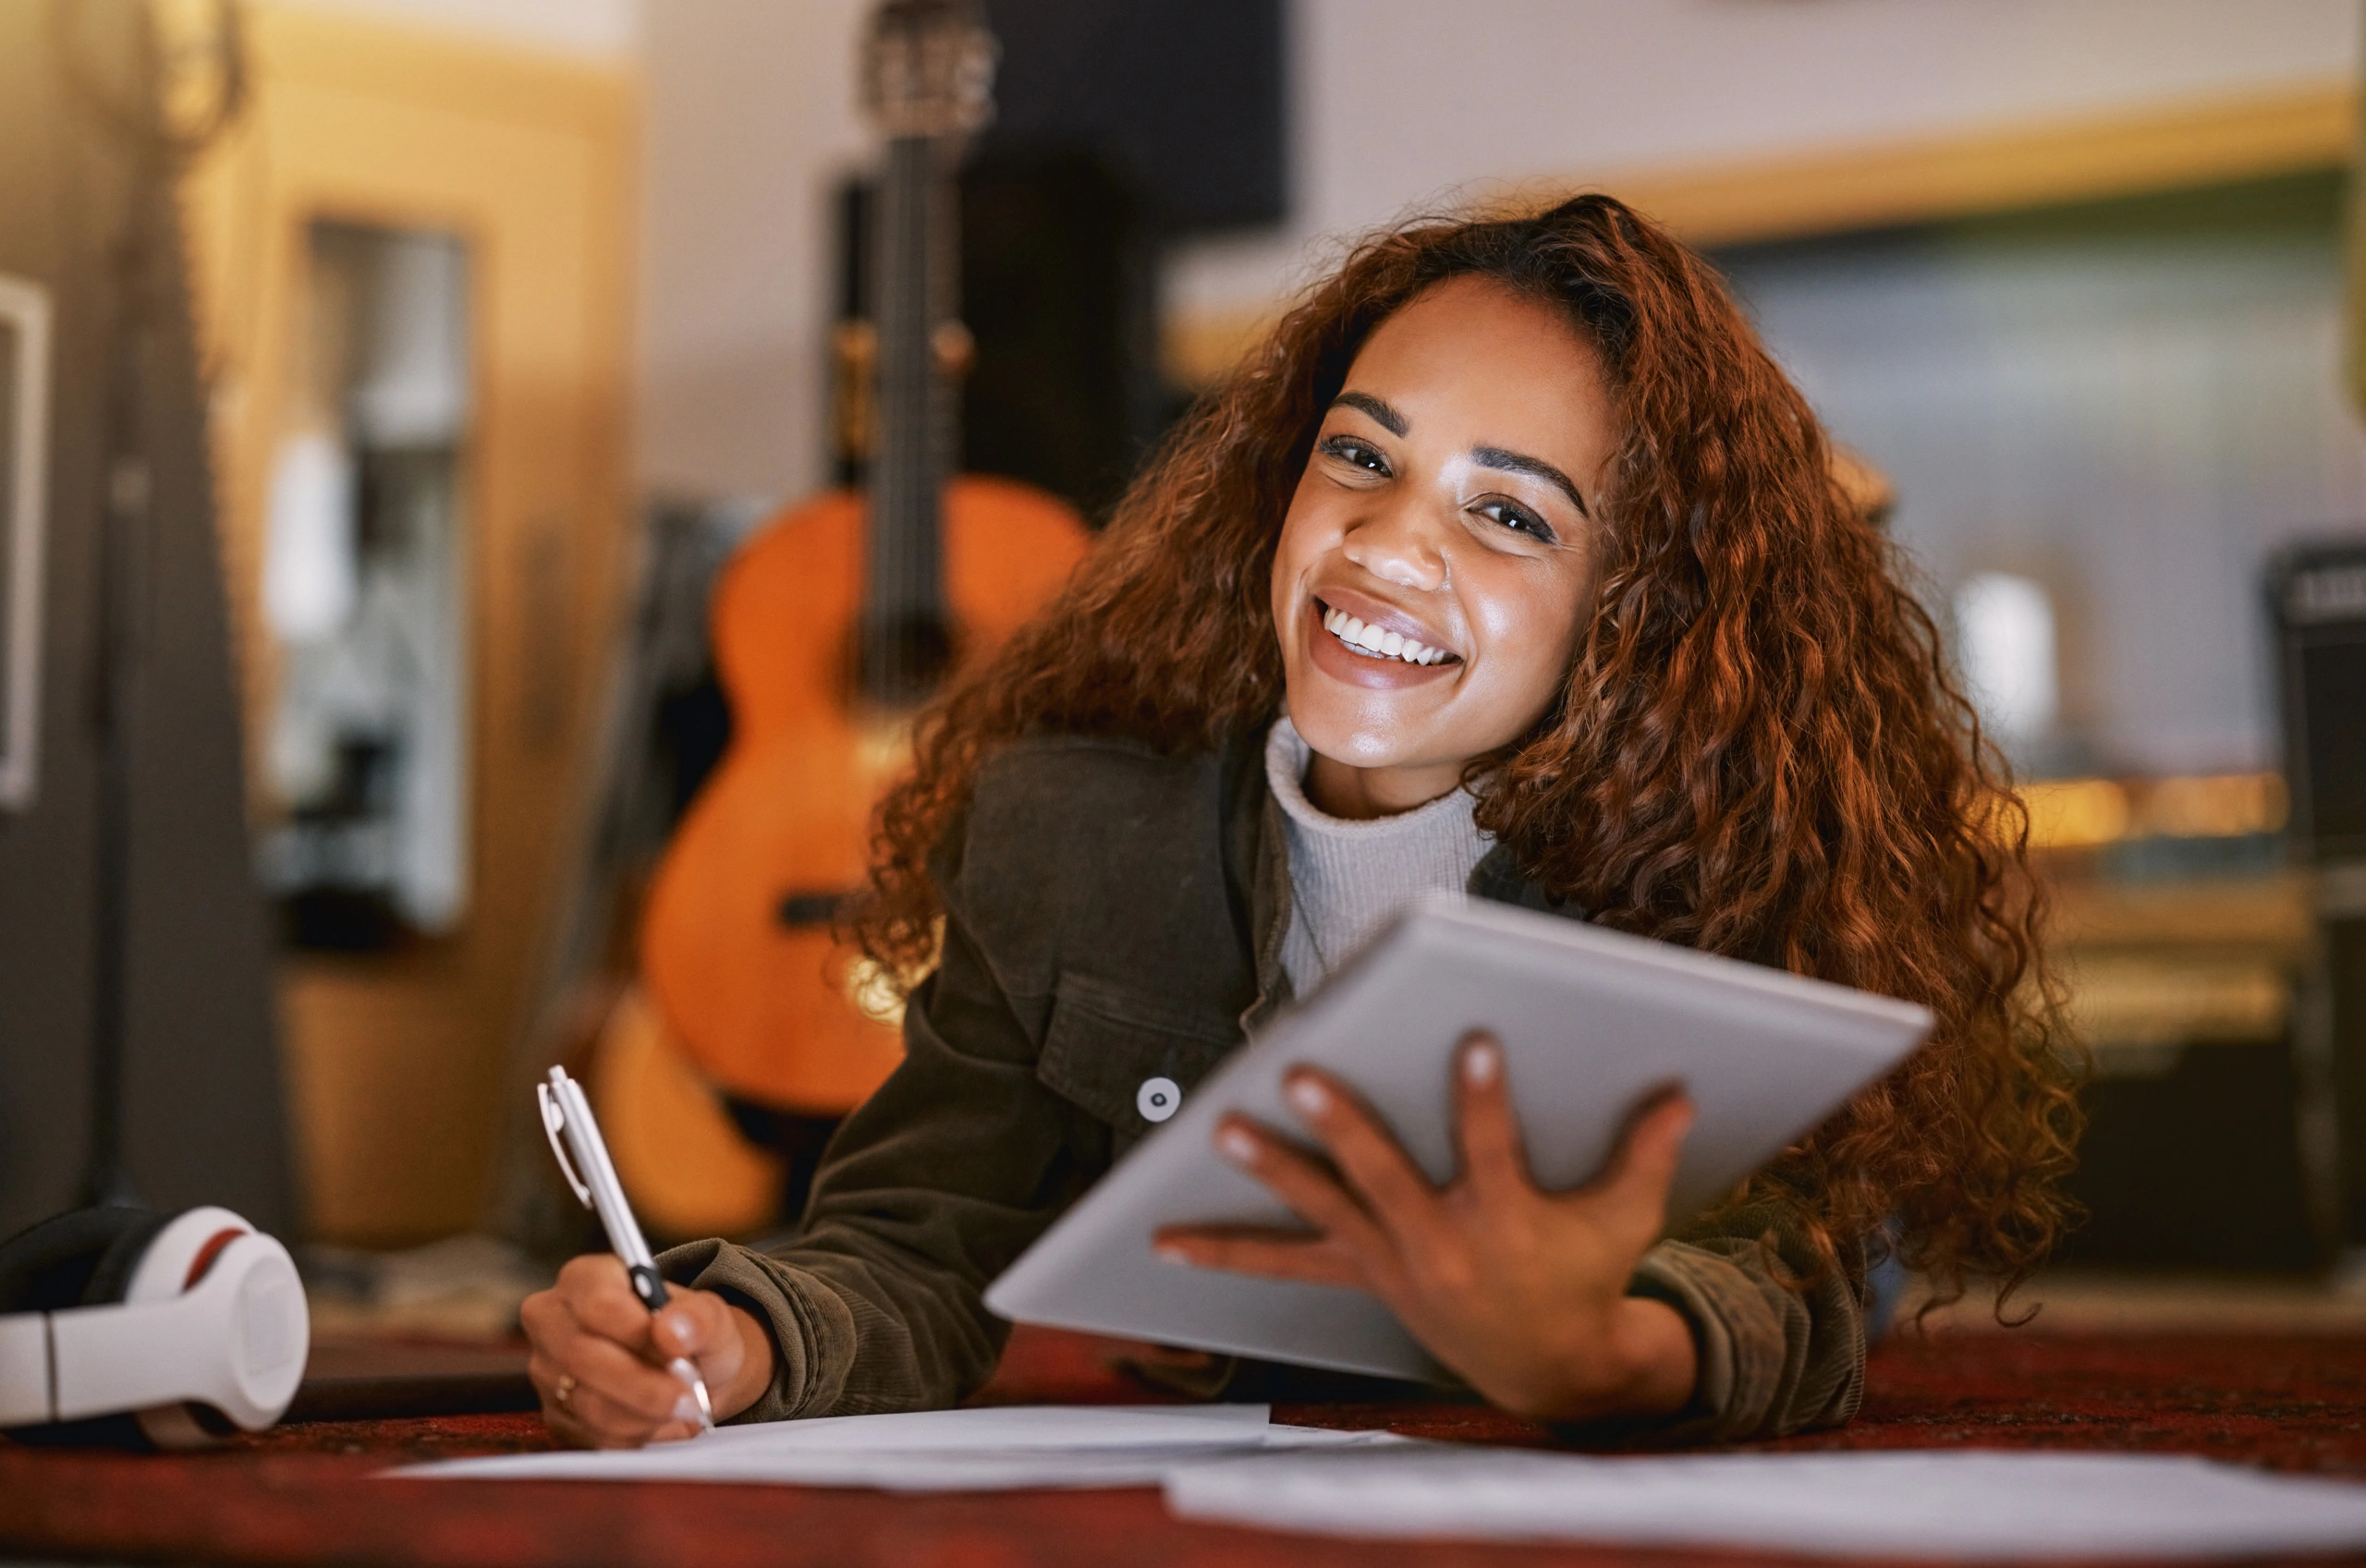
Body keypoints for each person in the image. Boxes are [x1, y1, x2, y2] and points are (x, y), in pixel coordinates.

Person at [520, 194, 2079, 1447]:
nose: (1390, 546)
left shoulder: (1714, 861)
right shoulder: (1061, 837)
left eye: (1512, 514)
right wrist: (736, 1336)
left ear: (1634, 611)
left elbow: (1783, 1275)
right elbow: (917, 1242)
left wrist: (1603, 1351)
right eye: (1361, 455)